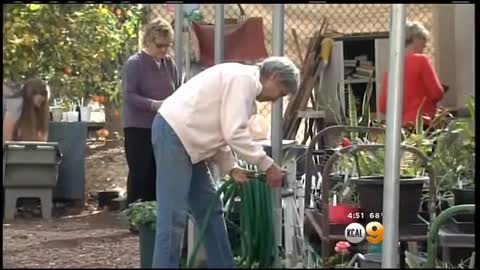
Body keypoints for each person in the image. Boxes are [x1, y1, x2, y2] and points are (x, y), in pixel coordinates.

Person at [151, 56, 300, 268]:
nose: (276, 100)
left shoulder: (244, 82)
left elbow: (221, 131)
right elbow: (233, 133)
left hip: (188, 140)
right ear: (274, 77)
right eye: (281, 93)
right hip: (174, 134)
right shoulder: (243, 80)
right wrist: (267, 164)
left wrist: (231, 167)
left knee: (211, 210)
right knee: (173, 218)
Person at [121, 17, 181, 206]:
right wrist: (154, 104)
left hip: (164, 126)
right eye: (160, 45)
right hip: (139, 127)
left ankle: (155, 217)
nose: (164, 50)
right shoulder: (135, 63)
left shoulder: (169, 64)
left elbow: (178, 90)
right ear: (148, 41)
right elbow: (129, 95)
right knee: (141, 172)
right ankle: (136, 215)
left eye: (167, 46)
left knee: (159, 172)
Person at [379, 21, 447, 127]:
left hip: (400, 127)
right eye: (423, 38)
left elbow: (383, 106)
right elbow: (437, 93)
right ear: (415, 38)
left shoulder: (393, 67)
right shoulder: (421, 60)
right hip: (423, 123)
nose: (425, 44)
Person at [3, 78, 50, 144]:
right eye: (41, 94)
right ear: (31, 93)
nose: (43, 99)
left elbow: (42, 139)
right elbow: (6, 136)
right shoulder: (17, 103)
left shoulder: (38, 109)